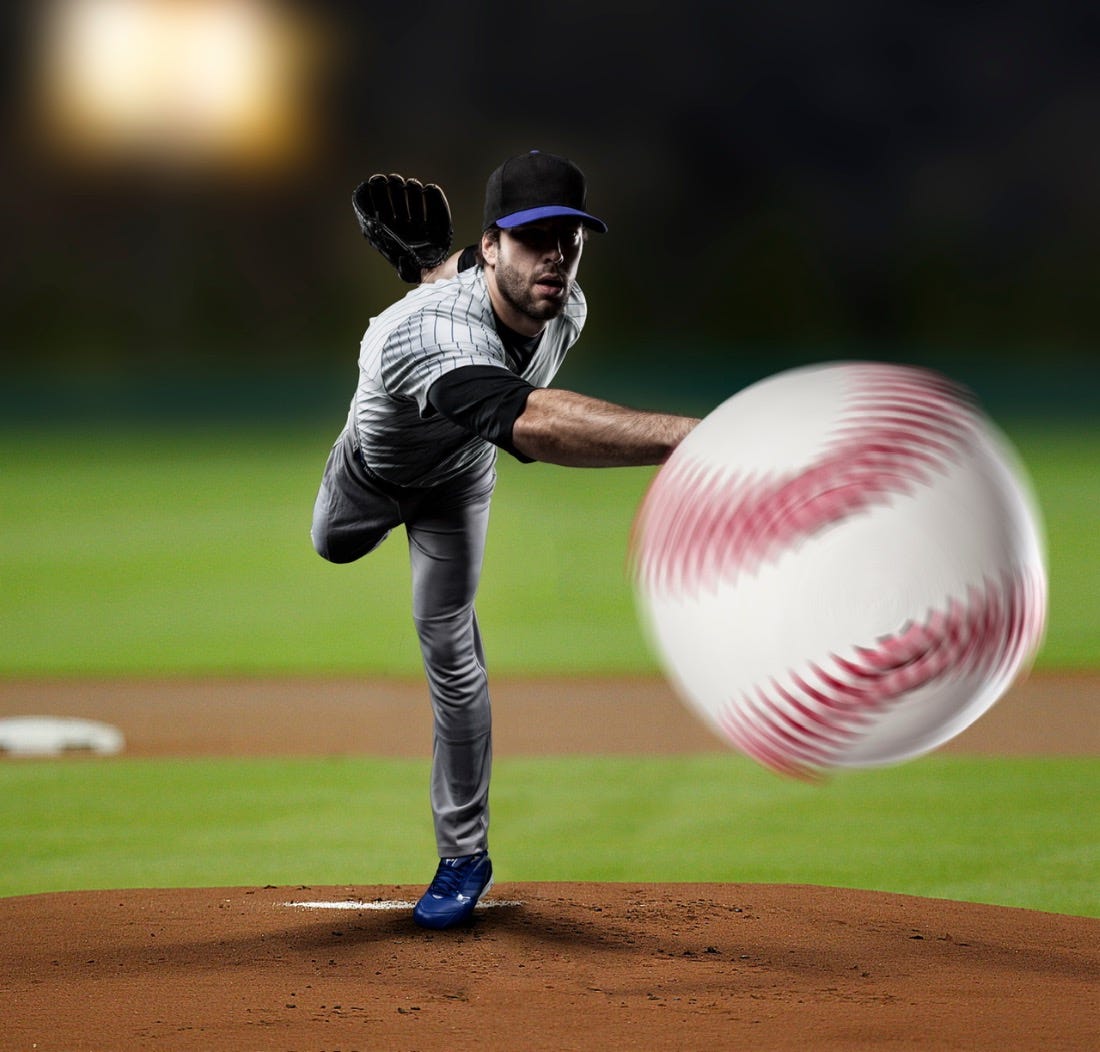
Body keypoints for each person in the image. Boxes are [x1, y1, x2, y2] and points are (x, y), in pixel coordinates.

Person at [311, 150, 699, 929]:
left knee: (450, 648)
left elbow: (485, 304)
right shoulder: (423, 332)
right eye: (532, 238)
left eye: (569, 236)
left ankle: (463, 855)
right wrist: (697, 437)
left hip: (457, 478)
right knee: (334, 544)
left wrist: (435, 266)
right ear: (492, 244)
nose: (555, 255)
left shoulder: (564, 301)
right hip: (372, 470)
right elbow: (529, 421)